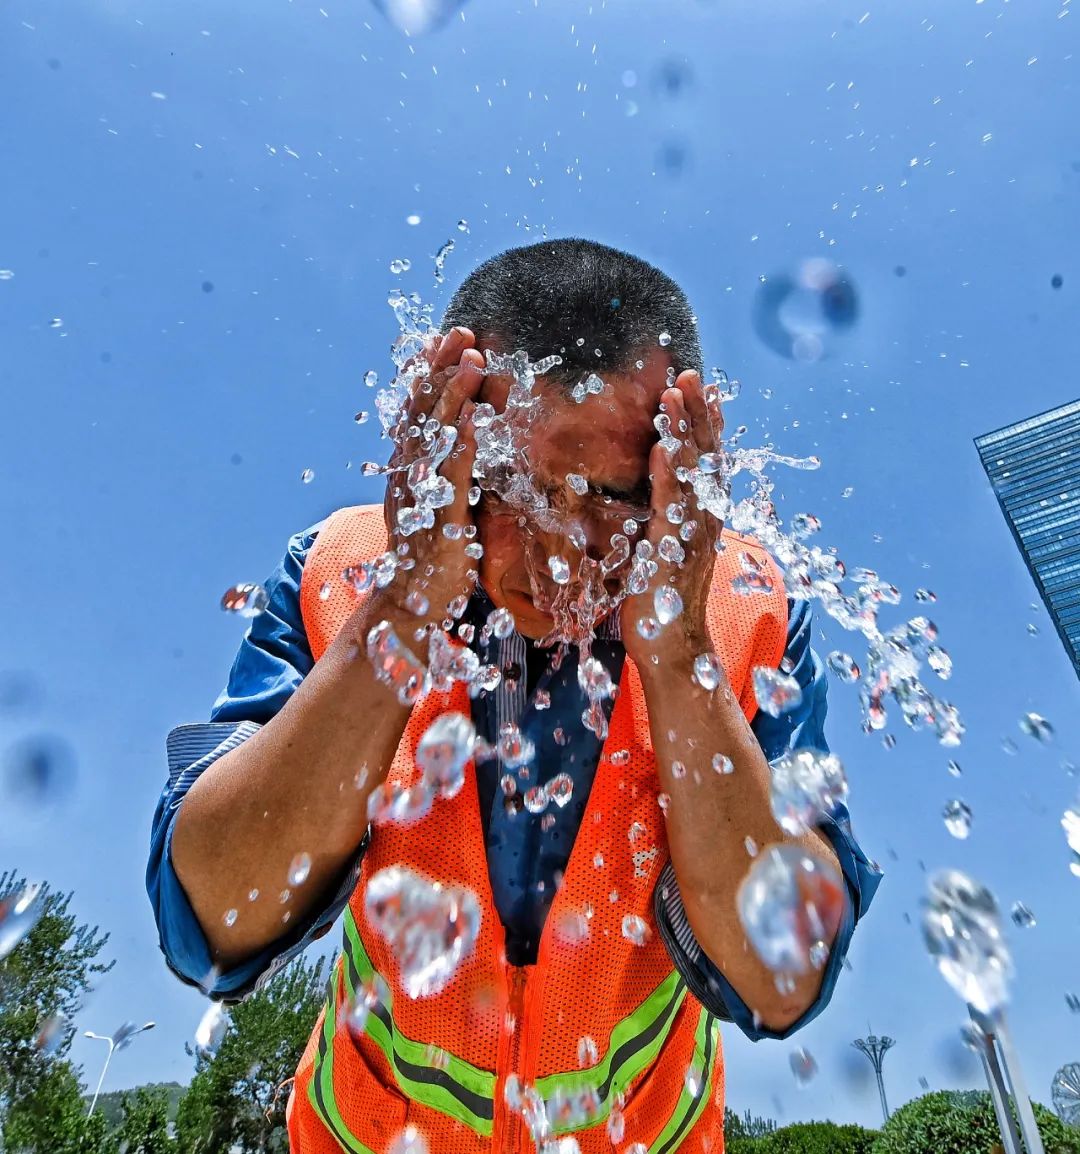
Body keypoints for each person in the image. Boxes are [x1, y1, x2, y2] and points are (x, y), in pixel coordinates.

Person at [148, 238, 881, 1153]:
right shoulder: (338, 575)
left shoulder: (748, 614)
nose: (558, 558)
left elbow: (784, 982)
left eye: (612, 500)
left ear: (678, 477)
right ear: (444, 447)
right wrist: (406, 610)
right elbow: (210, 924)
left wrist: (679, 650)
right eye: (510, 491)